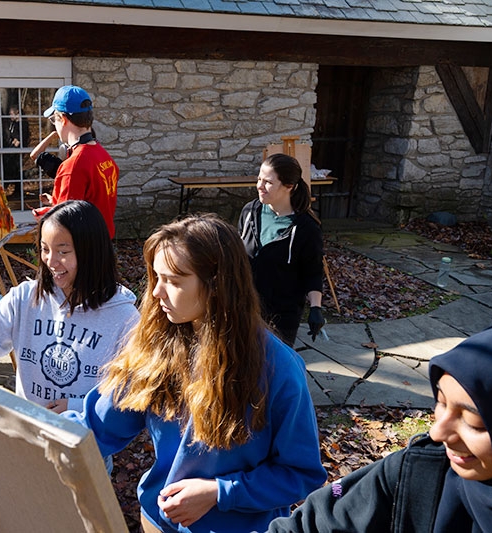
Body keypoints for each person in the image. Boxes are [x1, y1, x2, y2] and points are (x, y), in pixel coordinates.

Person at [64, 213, 326, 533]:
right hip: (158, 524)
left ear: (217, 286)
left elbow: (301, 474)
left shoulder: (279, 369)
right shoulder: (155, 347)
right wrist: (32, 434)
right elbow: (97, 426)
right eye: (156, 278)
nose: (157, 292)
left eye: (173, 281)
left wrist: (219, 492)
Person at [267, 322, 492, 532]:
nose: (438, 433)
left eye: (473, 422)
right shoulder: (417, 470)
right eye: (440, 402)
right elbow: (310, 524)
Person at [0, 200, 138, 413]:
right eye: (45, 249)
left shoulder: (124, 318)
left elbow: (133, 393)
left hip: (88, 441)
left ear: (91, 252)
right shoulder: (24, 298)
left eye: (63, 252)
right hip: (30, 434)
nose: (51, 261)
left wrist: (80, 408)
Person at [237, 152, 325, 347]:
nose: (259, 186)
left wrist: (316, 308)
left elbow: (313, 272)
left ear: (289, 187)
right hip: (244, 308)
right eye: (259, 179)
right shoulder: (250, 212)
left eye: (268, 182)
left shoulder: (306, 228)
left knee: (273, 370)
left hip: (281, 317)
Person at [32, 85, 119, 239]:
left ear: (63, 119)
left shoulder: (72, 166)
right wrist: (55, 200)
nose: (55, 125)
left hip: (82, 249)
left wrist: (44, 215)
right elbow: (91, 201)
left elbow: (64, 224)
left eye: (54, 120)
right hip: (102, 243)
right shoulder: (103, 155)